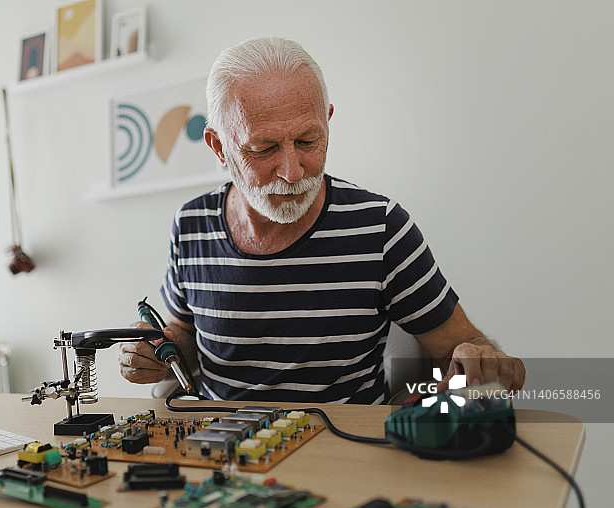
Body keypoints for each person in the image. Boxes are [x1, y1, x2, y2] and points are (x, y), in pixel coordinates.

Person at [119, 37, 525, 403]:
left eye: (308, 141)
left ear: (328, 122)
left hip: (346, 454)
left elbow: (460, 345)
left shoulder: (381, 228)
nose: (293, 172)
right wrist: (158, 354)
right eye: (264, 149)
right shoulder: (191, 225)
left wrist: (479, 360)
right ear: (219, 148)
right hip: (221, 450)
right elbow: (184, 335)